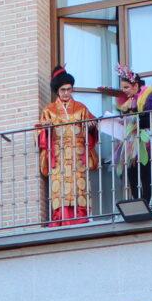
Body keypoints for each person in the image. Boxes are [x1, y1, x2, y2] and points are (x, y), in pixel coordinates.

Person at [39, 67, 98, 225]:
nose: (66, 93)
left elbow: (92, 125)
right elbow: (40, 133)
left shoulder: (81, 108)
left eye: (69, 89)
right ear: (57, 91)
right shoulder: (49, 110)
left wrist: (91, 126)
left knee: (79, 189)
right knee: (60, 190)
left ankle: (80, 219)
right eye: (63, 90)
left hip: (77, 156)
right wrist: (46, 128)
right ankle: (61, 220)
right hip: (59, 157)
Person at [112, 64, 152, 209]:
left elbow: (151, 118)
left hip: (145, 137)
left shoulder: (149, 97)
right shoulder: (128, 101)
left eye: (126, 87)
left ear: (135, 85)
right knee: (131, 171)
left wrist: (136, 117)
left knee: (145, 169)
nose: (124, 90)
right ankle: (137, 201)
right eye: (123, 88)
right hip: (132, 138)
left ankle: (146, 201)